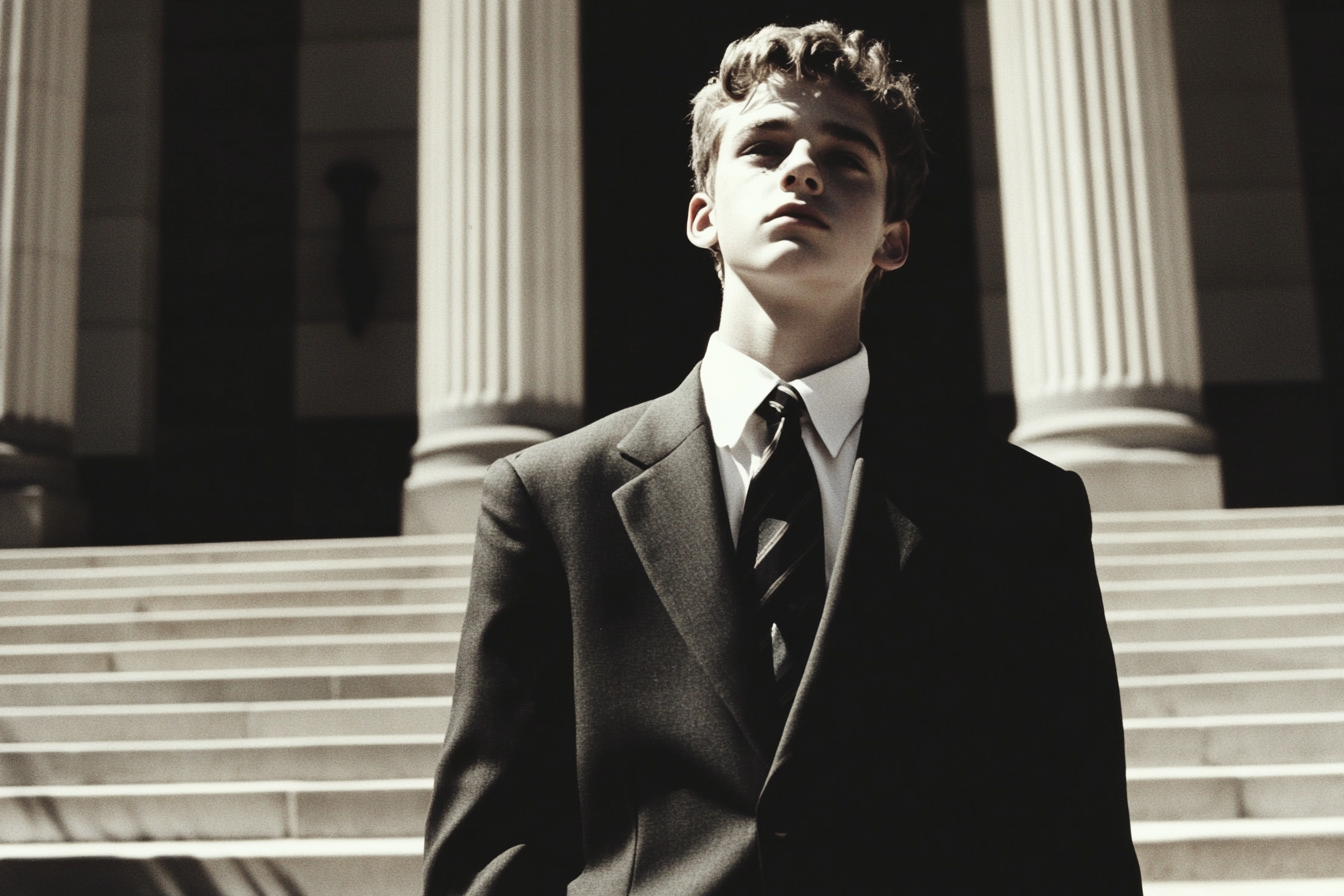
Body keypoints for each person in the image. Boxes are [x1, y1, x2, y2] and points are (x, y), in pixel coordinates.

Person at [423, 21, 1142, 895]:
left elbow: (1076, 839)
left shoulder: (1020, 511)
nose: (803, 169)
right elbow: (491, 851)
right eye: (764, 149)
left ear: (893, 239)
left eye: (846, 159)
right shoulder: (551, 498)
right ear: (703, 217)